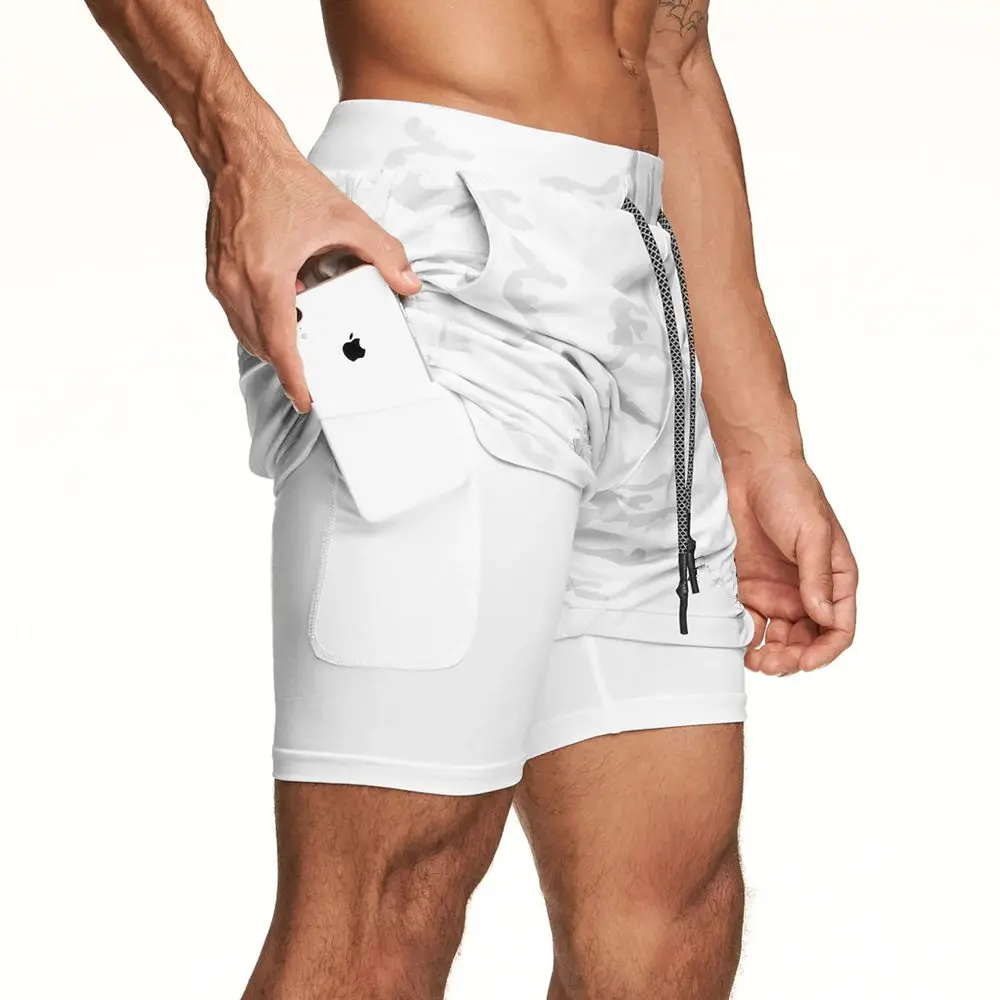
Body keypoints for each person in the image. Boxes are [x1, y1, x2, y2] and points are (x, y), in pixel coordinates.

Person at [83, 1, 858, 997]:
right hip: (437, 262)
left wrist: (760, 444)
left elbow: (675, 46)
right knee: (387, 908)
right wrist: (241, 152)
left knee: (674, 918)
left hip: (643, 283)